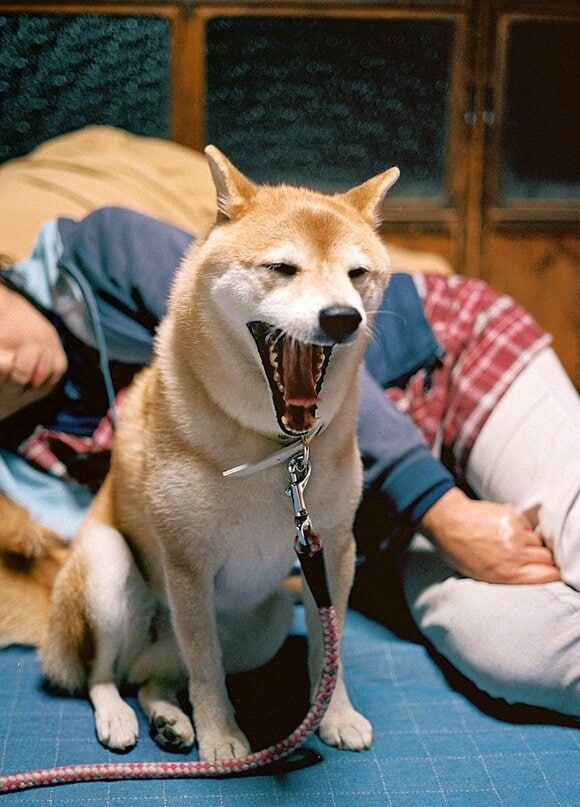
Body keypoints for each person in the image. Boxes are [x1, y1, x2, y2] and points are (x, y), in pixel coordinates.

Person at [0, 207, 578, 718]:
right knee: (522, 656)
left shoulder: (101, 253)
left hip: (446, 371)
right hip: (376, 521)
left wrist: (441, 508)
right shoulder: (26, 465)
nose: (3, 367)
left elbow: (328, 356)